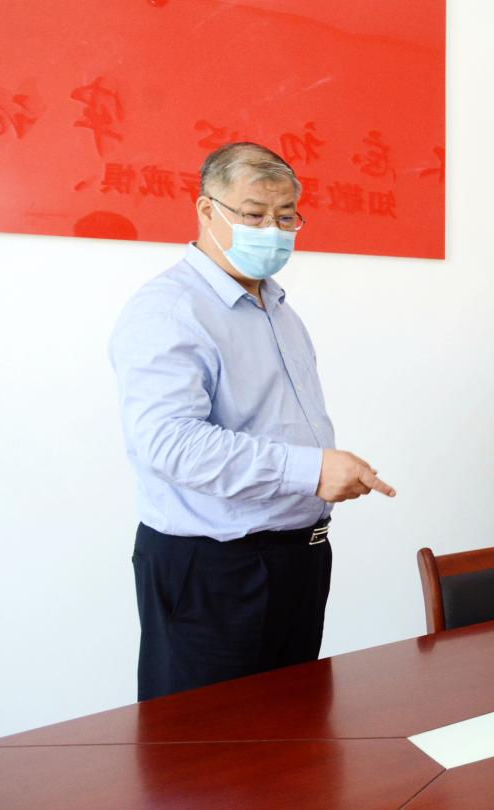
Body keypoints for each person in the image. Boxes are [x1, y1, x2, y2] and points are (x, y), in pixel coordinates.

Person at [110, 142, 396, 702]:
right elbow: (169, 444)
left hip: (296, 558)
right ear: (206, 209)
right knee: (206, 740)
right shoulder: (170, 309)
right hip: (215, 569)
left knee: (290, 726)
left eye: (286, 217)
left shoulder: (279, 309)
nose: (273, 230)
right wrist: (310, 470)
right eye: (254, 214)